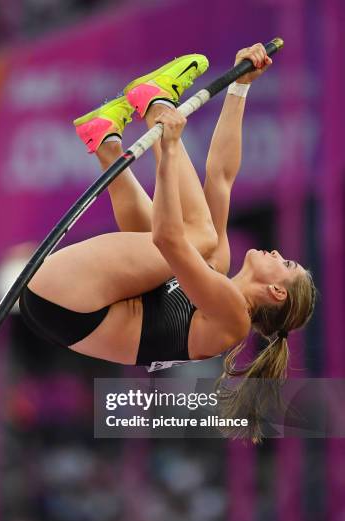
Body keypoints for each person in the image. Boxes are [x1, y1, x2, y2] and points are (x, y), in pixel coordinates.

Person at [19, 44, 316, 437]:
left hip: (72, 305)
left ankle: (154, 101)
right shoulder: (217, 273)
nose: (279, 253)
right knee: (201, 241)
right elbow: (221, 176)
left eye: (287, 264)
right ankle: (106, 142)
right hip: (66, 303)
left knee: (197, 237)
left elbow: (168, 239)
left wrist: (170, 145)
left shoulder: (233, 319)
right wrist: (240, 88)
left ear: (277, 291)